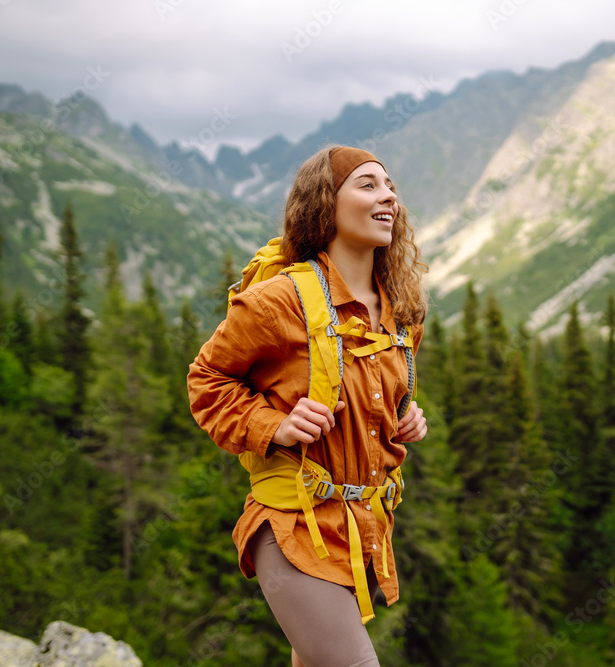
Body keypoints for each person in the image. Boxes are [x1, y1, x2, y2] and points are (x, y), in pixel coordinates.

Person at [187, 144, 429, 667]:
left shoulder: (400, 309)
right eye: (367, 185)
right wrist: (274, 424)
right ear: (326, 203)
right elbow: (206, 380)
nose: (387, 195)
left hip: (359, 531)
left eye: (389, 186)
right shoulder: (277, 301)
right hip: (291, 530)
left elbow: (378, 392)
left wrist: (407, 416)